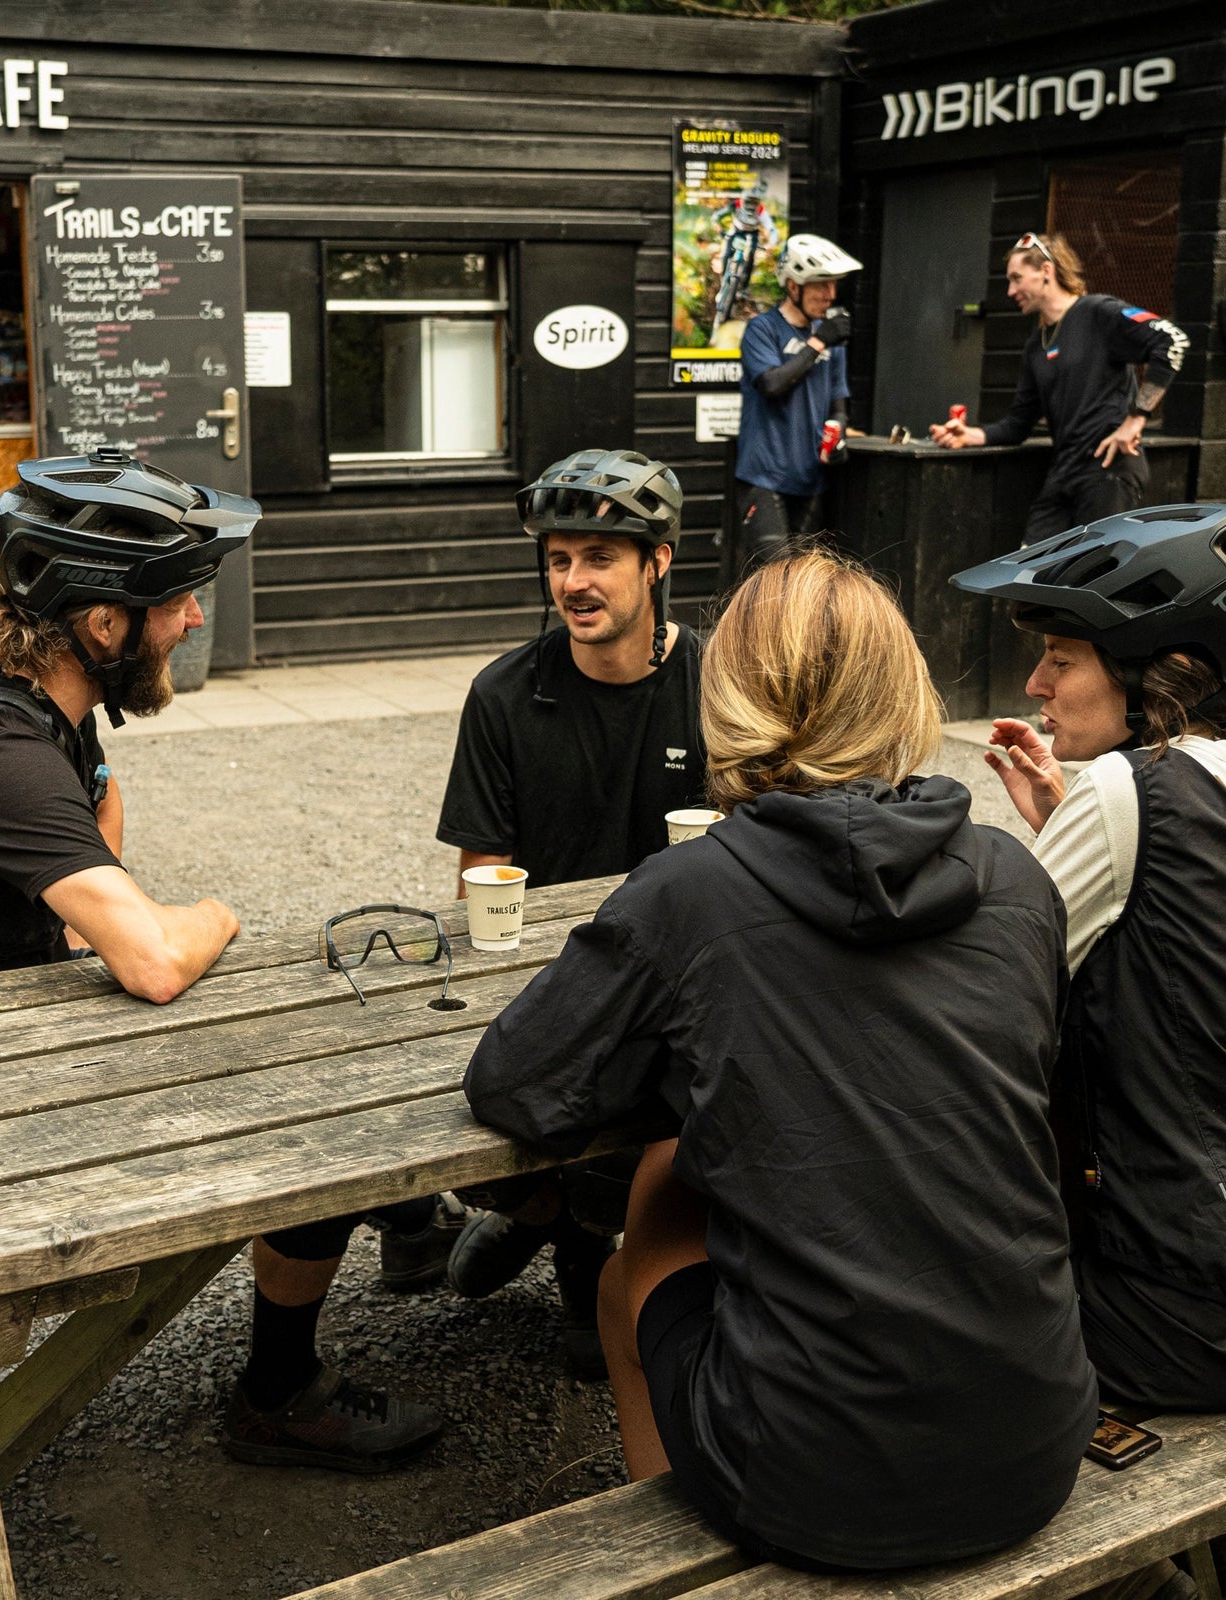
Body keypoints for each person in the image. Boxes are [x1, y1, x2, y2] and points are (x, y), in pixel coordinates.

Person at [464, 549, 1096, 1575]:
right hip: (1037, 1437)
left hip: (814, 1484)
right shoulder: (1016, 877)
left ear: (731, 702)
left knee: (647, 1227)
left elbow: (517, 1087)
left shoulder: (690, 891)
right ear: (902, 692)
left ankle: (674, 1559)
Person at [0, 450, 447, 1472]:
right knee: (327, 1115)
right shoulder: (2, 757)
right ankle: (279, 1391)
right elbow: (156, 962)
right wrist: (211, 911)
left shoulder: (30, 711)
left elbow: (94, 845)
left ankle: (401, 1210)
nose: (191, 622)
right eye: (179, 602)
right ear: (102, 622)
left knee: (316, 1079)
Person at [952, 504, 1226, 1600]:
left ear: (1171, 669)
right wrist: (1063, 826)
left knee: (932, 1341)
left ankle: (1135, 1578)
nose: (1036, 688)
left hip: (1204, 1316)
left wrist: (1057, 832)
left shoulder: (1124, 791)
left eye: (1060, 659)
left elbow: (980, 1011)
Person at [434, 447, 705, 1377]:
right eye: (559, 560)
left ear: (658, 562)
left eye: (600, 558)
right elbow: (482, 875)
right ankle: (547, 1214)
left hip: (685, 972)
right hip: (553, 977)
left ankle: (590, 1239)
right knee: (437, 1102)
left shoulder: (721, 687)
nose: (574, 582)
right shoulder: (504, 694)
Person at [930, 232, 1189, 544]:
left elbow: (1172, 341)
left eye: (1016, 278)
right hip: (1064, 472)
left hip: (1107, 470)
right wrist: (968, 435)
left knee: (1096, 580)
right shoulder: (1035, 346)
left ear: (1046, 271)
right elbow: (1017, 425)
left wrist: (1137, 418)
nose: (1011, 291)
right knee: (1031, 573)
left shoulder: (1098, 312)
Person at [733, 233, 859, 570]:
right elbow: (772, 384)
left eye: (833, 285)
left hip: (811, 480)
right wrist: (818, 342)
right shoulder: (763, 329)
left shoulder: (831, 337)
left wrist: (839, 429)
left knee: (806, 582)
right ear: (793, 286)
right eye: (821, 286)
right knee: (776, 579)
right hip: (765, 477)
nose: (830, 295)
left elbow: (838, 402)